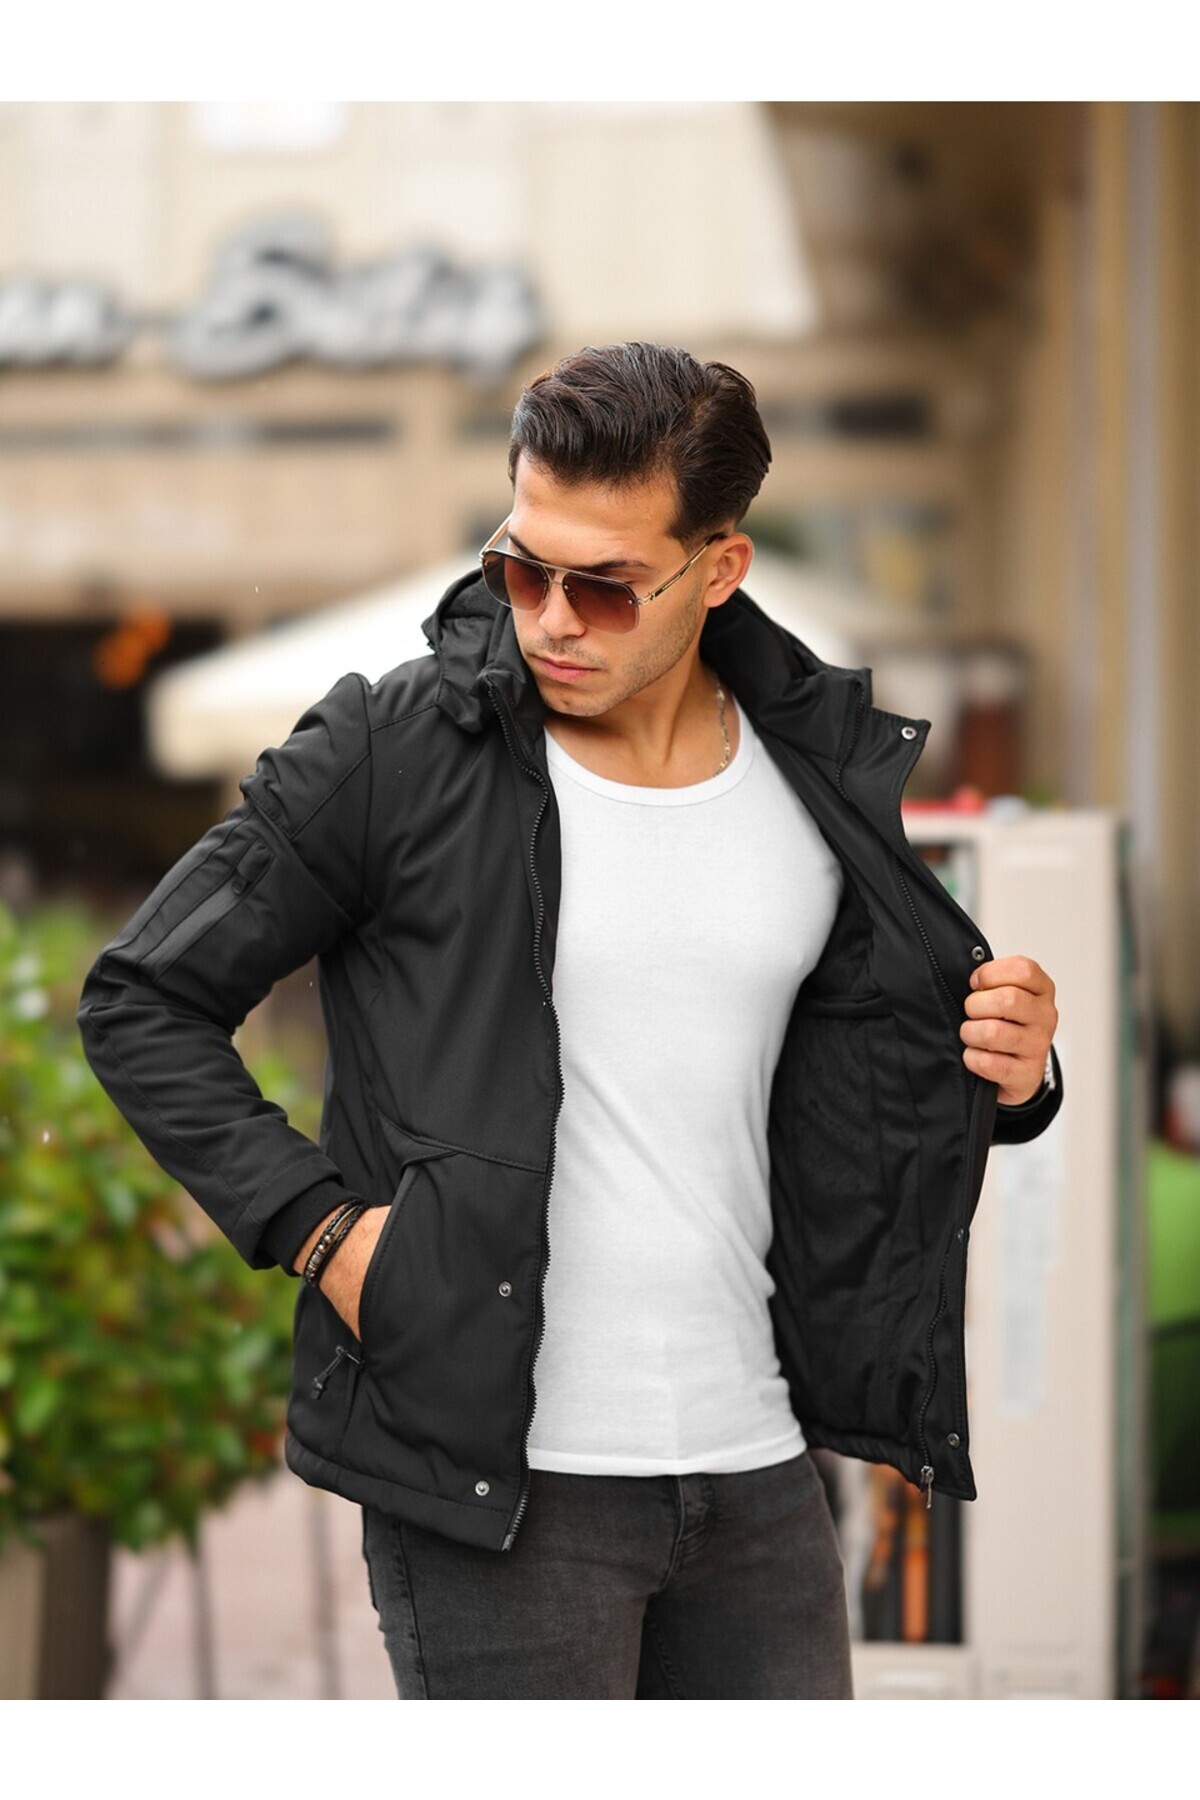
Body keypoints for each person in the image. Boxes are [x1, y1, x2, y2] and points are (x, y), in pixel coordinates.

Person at [79, 342, 1061, 1700]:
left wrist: (1015, 1071)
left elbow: (853, 1075)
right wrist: (324, 1233)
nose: (550, 620)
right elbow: (142, 996)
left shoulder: (811, 764)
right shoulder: (395, 751)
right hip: (502, 1493)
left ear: (719, 570)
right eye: (520, 568)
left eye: (602, 586)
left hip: (762, 1471)